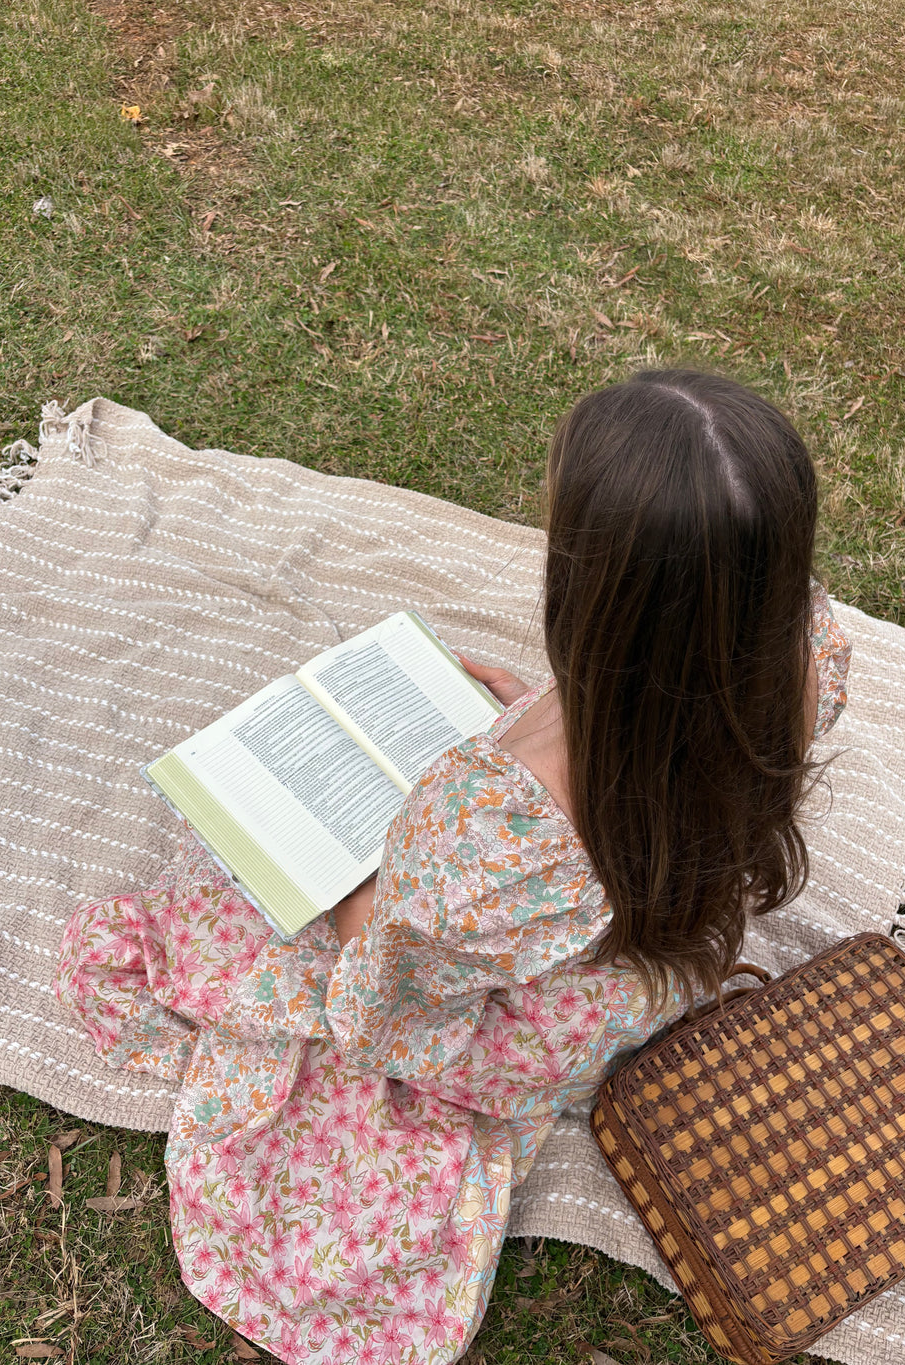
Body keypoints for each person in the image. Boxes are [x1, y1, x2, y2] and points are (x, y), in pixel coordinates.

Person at [54, 370, 851, 1365]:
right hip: (652, 967)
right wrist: (552, 708)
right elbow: (672, 722)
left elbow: (392, 1016)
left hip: (512, 1030)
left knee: (235, 885)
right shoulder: (810, 649)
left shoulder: (485, 829)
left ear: (591, 596)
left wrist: (352, 893)